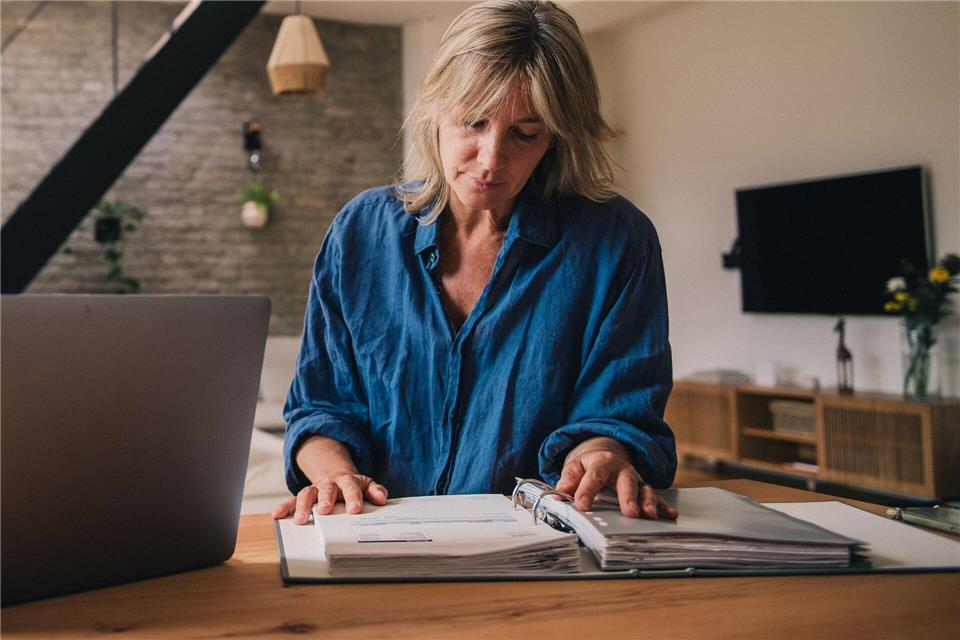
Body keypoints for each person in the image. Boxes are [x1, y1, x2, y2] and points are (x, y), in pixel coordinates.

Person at [273, 0, 678, 526]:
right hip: (377, 543)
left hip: (539, 555)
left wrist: (602, 453)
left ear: (557, 136)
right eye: (472, 122)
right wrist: (332, 474)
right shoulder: (360, 234)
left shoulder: (618, 243)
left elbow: (619, 414)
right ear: (434, 109)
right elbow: (319, 408)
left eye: (525, 133)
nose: (491, 159)